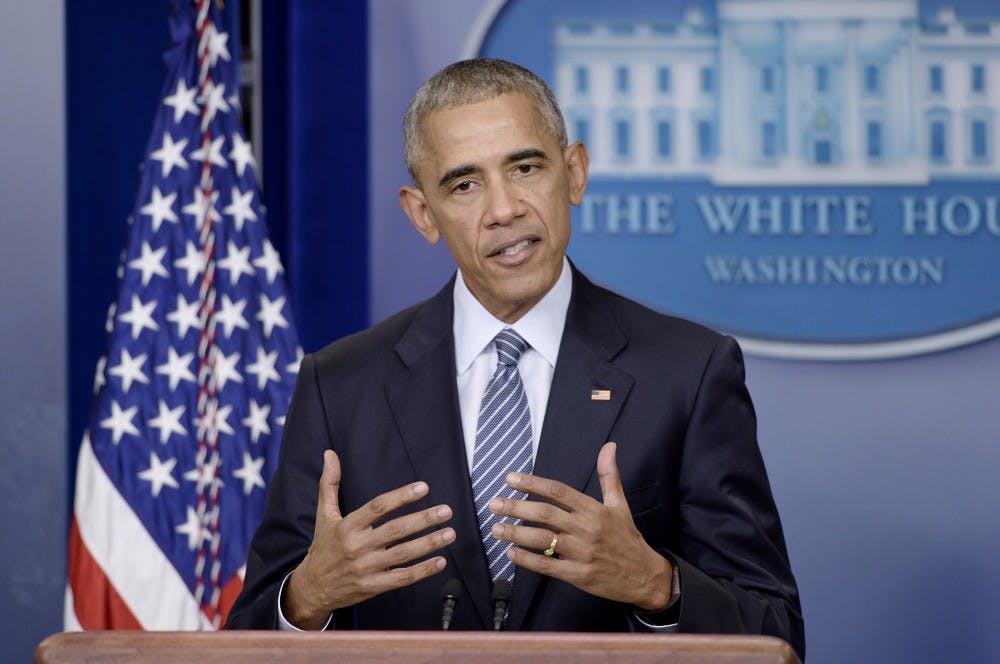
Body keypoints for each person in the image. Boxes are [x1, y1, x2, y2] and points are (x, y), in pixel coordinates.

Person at [226, 58, 804, 658]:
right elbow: (246, 639)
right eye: (464, 184)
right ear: (423, 213)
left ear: (574, 173)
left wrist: (658, 585)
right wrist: (307, 598)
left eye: (525, 168)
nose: (504, 209)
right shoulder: (341, 385)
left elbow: (774, 632)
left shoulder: (688, 371)